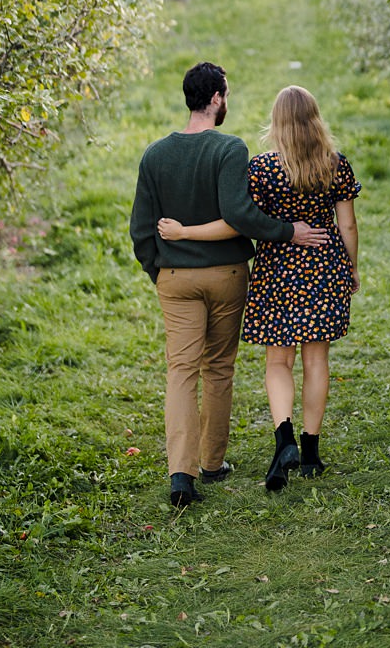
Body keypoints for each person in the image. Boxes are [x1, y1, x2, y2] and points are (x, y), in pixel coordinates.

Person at [129, 62, 330, 508]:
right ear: (217, 98)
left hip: (175, 278)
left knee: (181, 371)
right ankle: (212, 462)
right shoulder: (229, 149)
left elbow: (140, 228)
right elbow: (240, 215)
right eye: (227, 94)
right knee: (218, 368)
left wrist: (159, 270)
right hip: (227, 275)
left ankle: (181, 476)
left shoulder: (155, 155)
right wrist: (289, 232)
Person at [158, 84, 362, 491]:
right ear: (315, 120)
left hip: (277, 271)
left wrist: (184, 232)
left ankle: (284, 438)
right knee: (316, 361)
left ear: (277, 122)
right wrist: (351, 267)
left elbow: (241, 219)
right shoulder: (335, 165)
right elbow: (349, 225)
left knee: (278, 362)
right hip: (323, 268)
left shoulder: (263, 169)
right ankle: (310, 452)